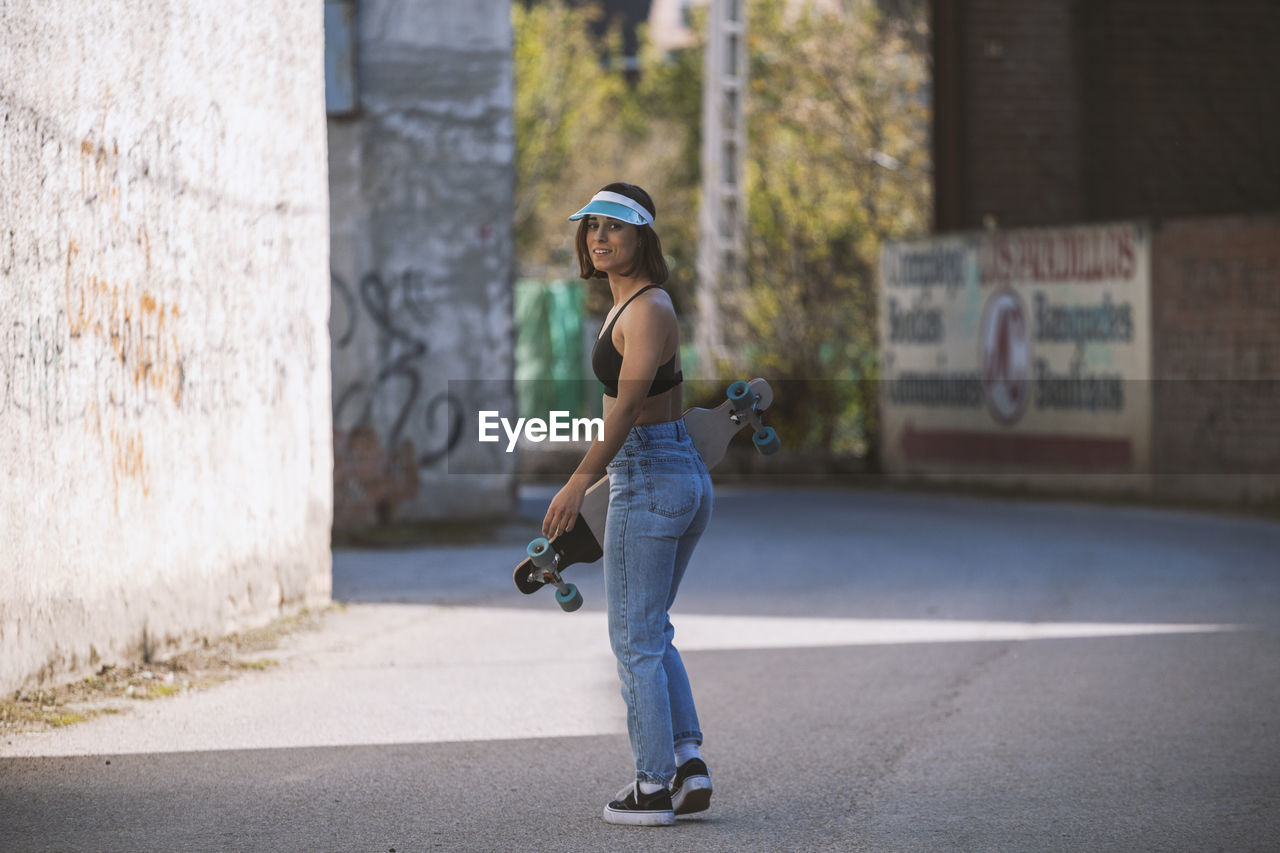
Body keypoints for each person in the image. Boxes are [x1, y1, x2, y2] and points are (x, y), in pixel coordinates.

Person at [541, 183, 714, 827]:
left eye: (615, 226)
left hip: (651, 473)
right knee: (652, 629)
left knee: (633, 639)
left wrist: (579, 481)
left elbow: (632, 408)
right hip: (665, 472)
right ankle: (687, 763)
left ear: (643, 236)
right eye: (591, 228)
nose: (600, 238)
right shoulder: (628, 307)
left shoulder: (647, 309)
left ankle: (650, 789)